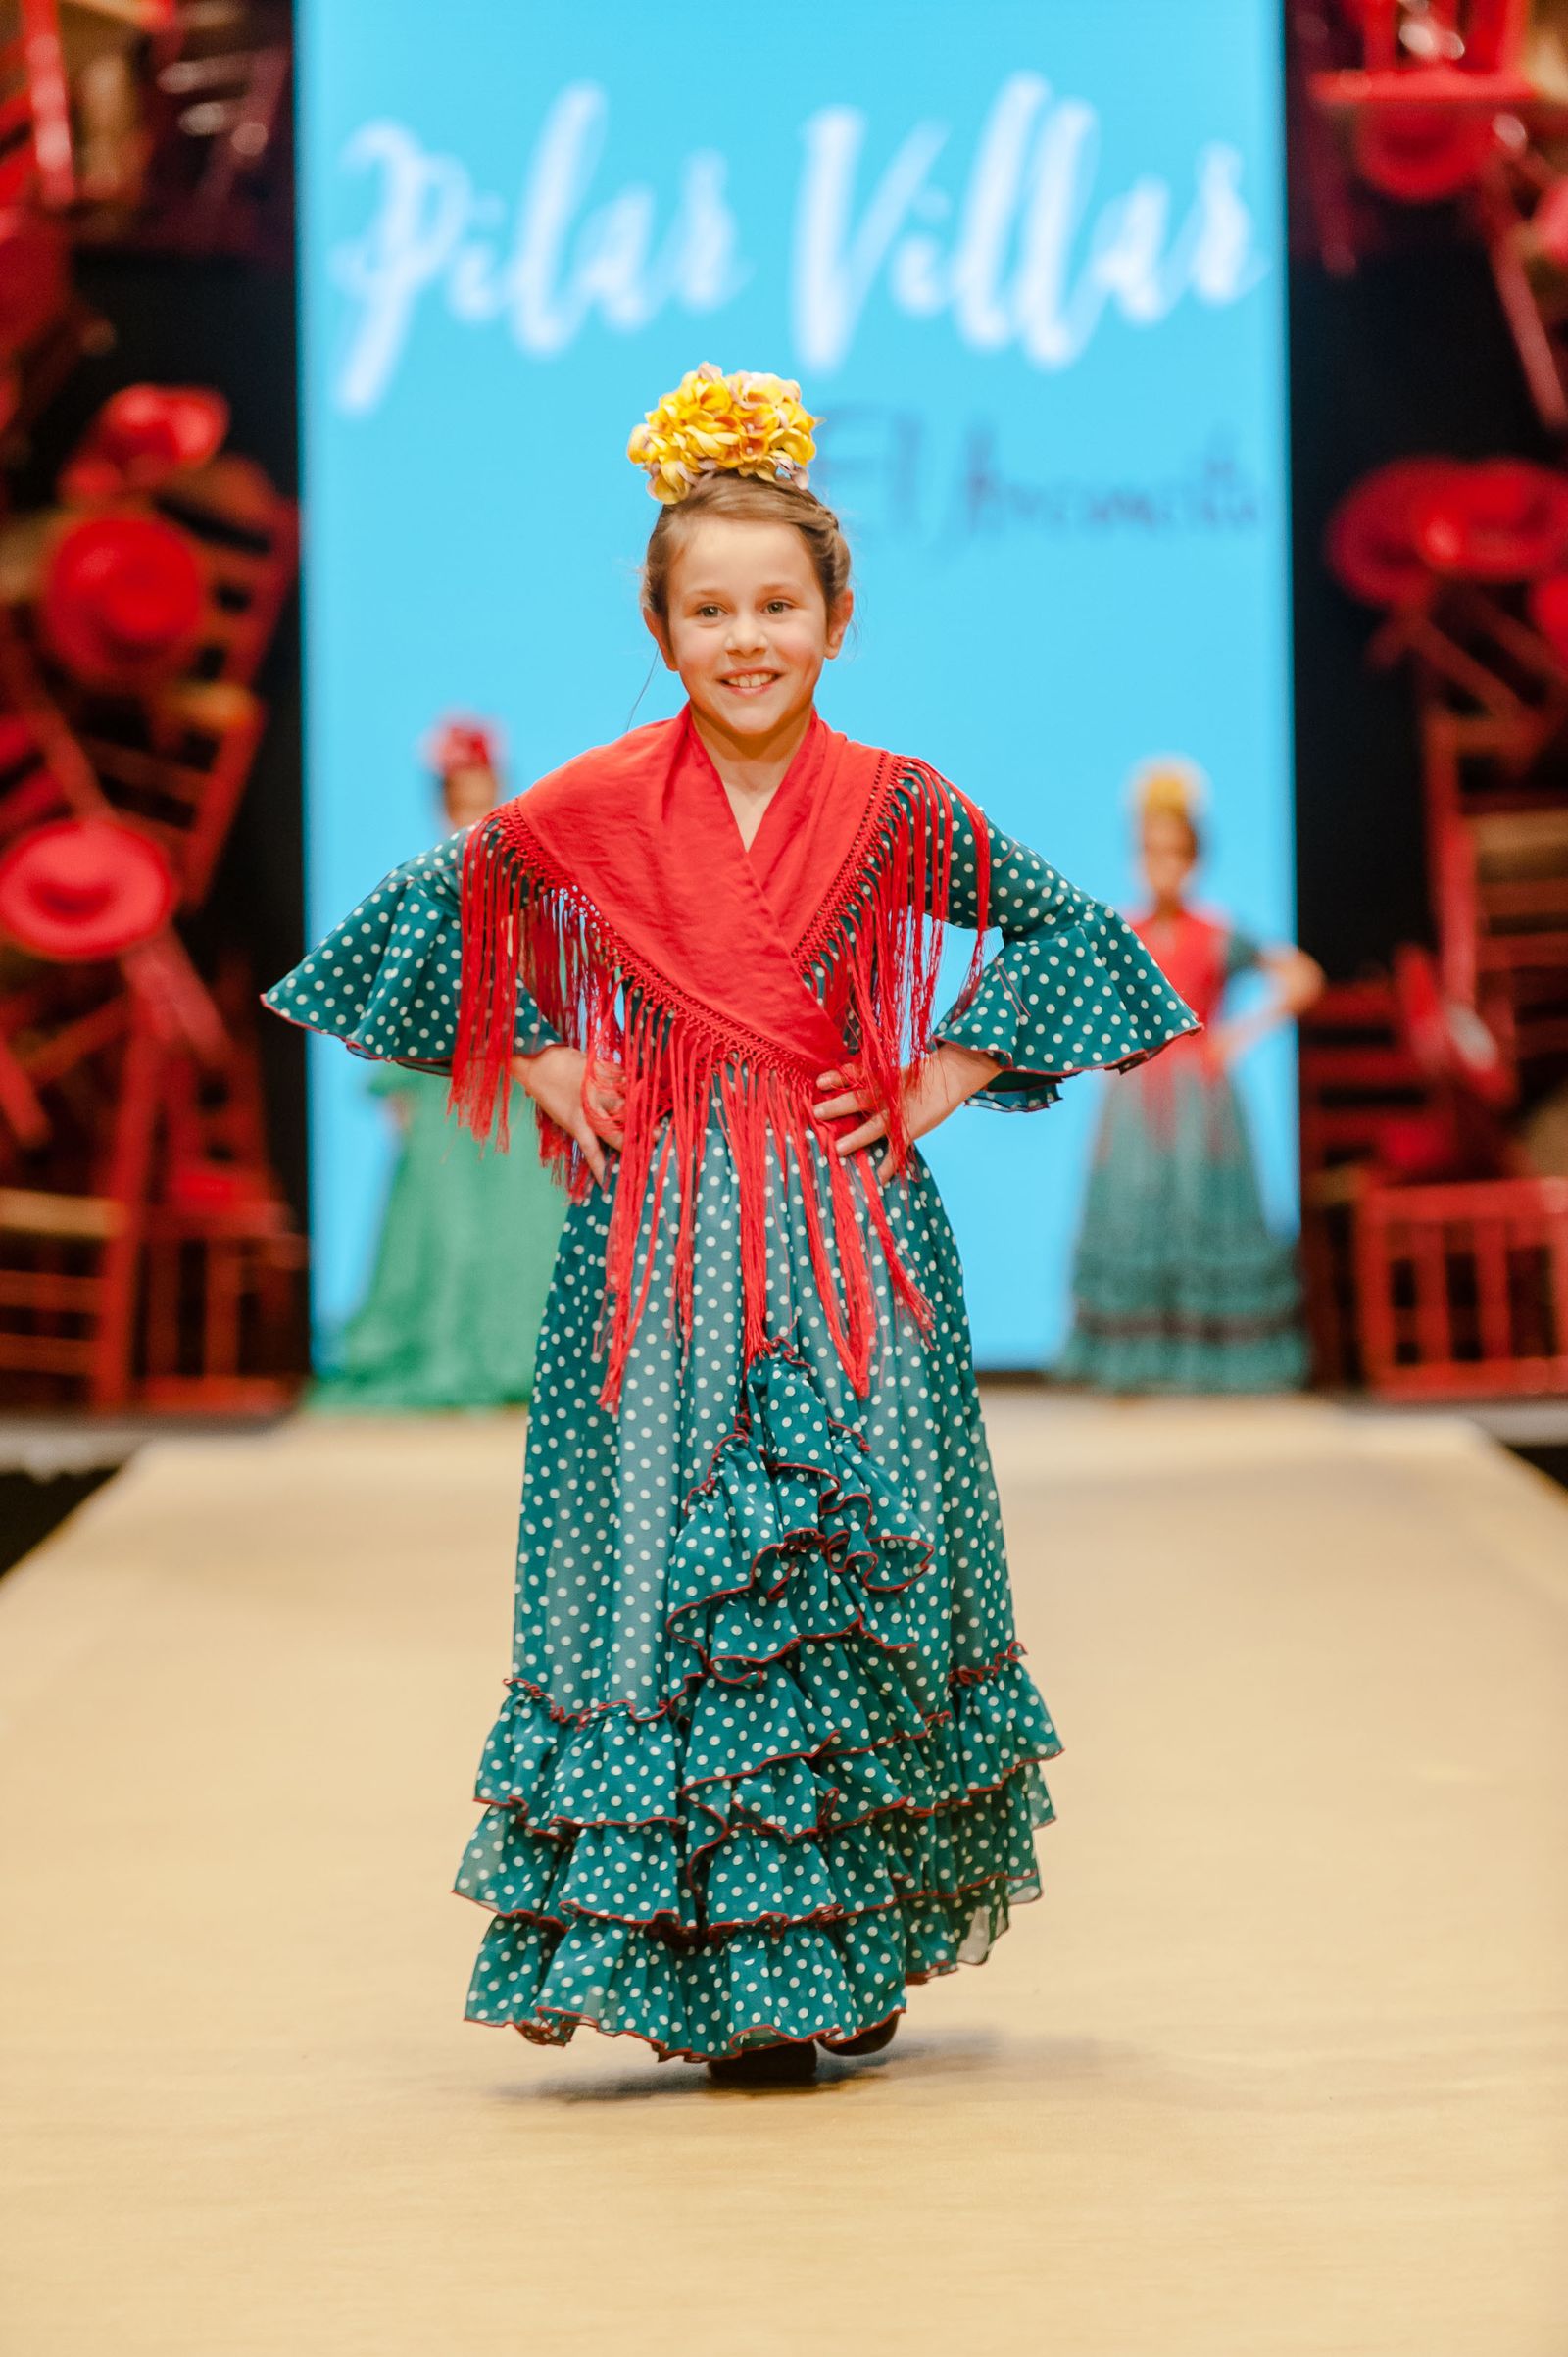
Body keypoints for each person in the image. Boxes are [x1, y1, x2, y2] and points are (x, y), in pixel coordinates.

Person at [265, 365, 1198, 2087]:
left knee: (848, 1571)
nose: (747, 636)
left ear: (838, 616)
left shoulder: (899, 801)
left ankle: (842, 1946)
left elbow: (1088, 946)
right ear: (661, 619)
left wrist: (945, 1069)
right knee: (677, 1585)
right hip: (660, 1254)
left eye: (780, 603)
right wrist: (539, 1053)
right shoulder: (589, 809)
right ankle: (723, 1966)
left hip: (854, 1243)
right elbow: (399, 943)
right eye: (712, 608)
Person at [311, 721, 565, 1412]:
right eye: (460, 793)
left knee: (523, 1231)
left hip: (522, 1094)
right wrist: (396, 1083)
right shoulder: (429, 879)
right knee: (448, 1232)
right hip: (446, 1092)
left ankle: (526, 1361)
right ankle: (452, 1355)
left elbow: (554, 980)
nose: (471, 803)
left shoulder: (531, 882)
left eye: (480, 790)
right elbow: (406, 987)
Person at [1060, 761, 1323, 1394]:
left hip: (1201, 1102)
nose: (1163, 866)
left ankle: (1213, 1363)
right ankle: (1135, 1365)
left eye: (1175, 853)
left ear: (1194, 858)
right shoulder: (1123, 930)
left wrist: (1239, 1033)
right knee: (1135, 1210)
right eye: (1152, 853)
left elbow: (1301, 977)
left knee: (1205, 1212)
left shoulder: (1216, 934)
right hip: (1137, 1098)